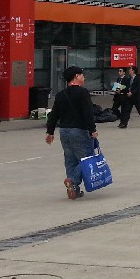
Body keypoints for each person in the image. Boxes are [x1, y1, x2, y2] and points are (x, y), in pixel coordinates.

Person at [44, 66, 98, 200]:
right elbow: (88, 112)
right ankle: (73, 181)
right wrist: (92, 129)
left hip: (64, 131)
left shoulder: (61, 94)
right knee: (87, 159)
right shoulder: (83, 92)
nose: (84, 78)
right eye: (82, 75)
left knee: (70, 160)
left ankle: (73, 188)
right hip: (79, 130)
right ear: (76, 76)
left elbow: (54, 114)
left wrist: (50, 131)